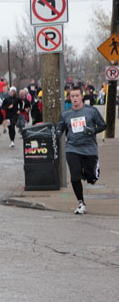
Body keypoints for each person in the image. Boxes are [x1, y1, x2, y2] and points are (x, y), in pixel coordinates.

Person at [56, 86, 107, 214]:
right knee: (74, 176)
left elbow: (103, 125)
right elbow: (60, 127)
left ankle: (89, 172)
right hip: (72, 148)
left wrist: (93, 131)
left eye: (77, 96)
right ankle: (81, 203)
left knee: (92, 178)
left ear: (81, 96)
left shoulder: (91, 111)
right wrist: (57, 132)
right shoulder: (66, 114)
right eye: (72, 96)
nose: (74, 98)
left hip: (89, 148)